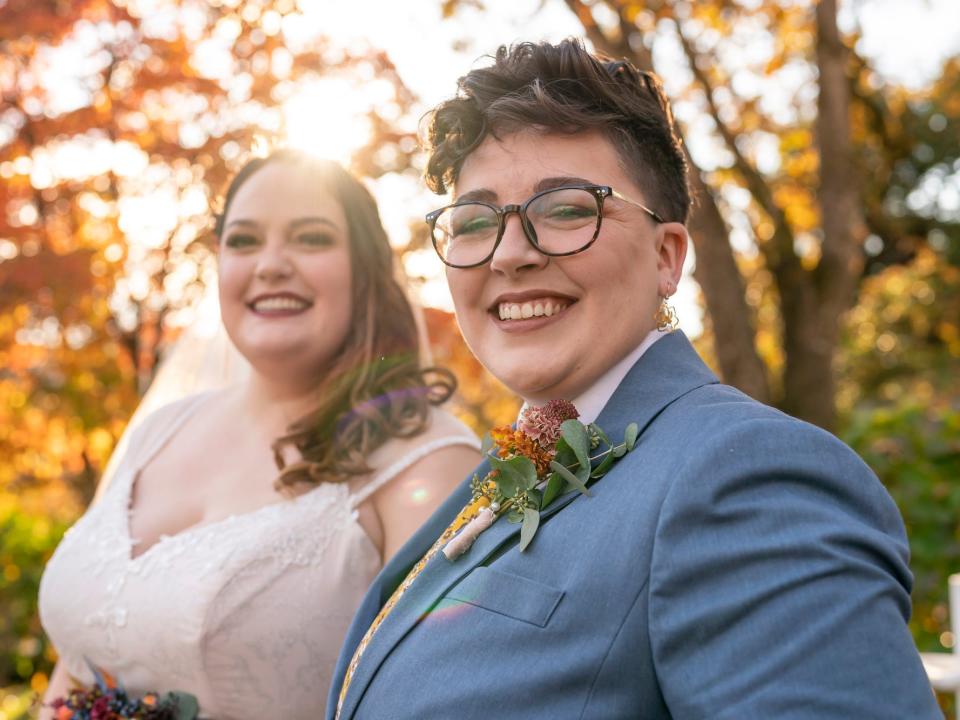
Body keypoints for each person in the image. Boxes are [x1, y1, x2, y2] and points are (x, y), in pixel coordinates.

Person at [327, 40, 940, 719]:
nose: (510, 254)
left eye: (565, 209)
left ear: (667, 256)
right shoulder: (496, 475)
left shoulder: (745, 474)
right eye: (475, 222)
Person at [37, 150, 482, 719]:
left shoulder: (428, 465)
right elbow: (77, 665)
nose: (270, 265)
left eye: (311, 238)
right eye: (244, 241)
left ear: (365, 269)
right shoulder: (160, 430)